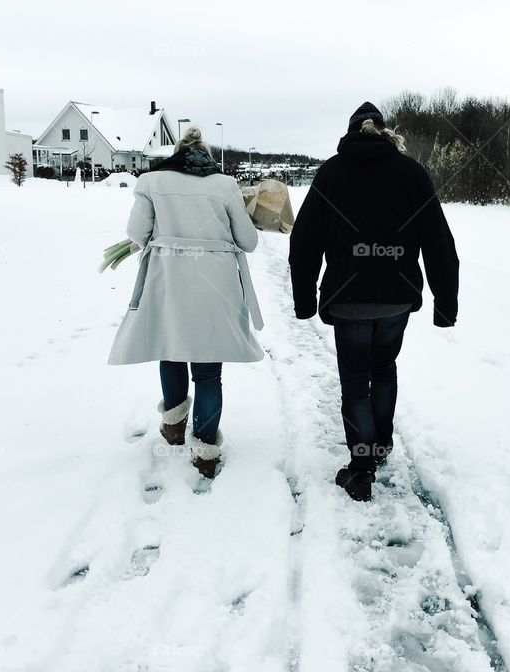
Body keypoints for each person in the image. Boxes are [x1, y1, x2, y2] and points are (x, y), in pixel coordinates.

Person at [289, 102, 459, 501]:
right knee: (383, 368)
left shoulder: (331, 172)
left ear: (350, 134)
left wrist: (304, 298)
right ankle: (379, 446)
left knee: (354, 379)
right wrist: (445, 303)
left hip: (348, 299)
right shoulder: (412, 173)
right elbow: (439, 242)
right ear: (385, 132)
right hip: (396, 299)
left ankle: (362, 467)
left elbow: (304, 240)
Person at [108, 127, 264, 478]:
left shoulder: (151, 182)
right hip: (216, 284)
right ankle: (205, 452)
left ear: (176, 154)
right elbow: (248, 242)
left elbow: (137, 234)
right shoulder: (225, 186)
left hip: (169, 281)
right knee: (209, 370)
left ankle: (174, 426)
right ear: (205, 157)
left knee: (171, 348)